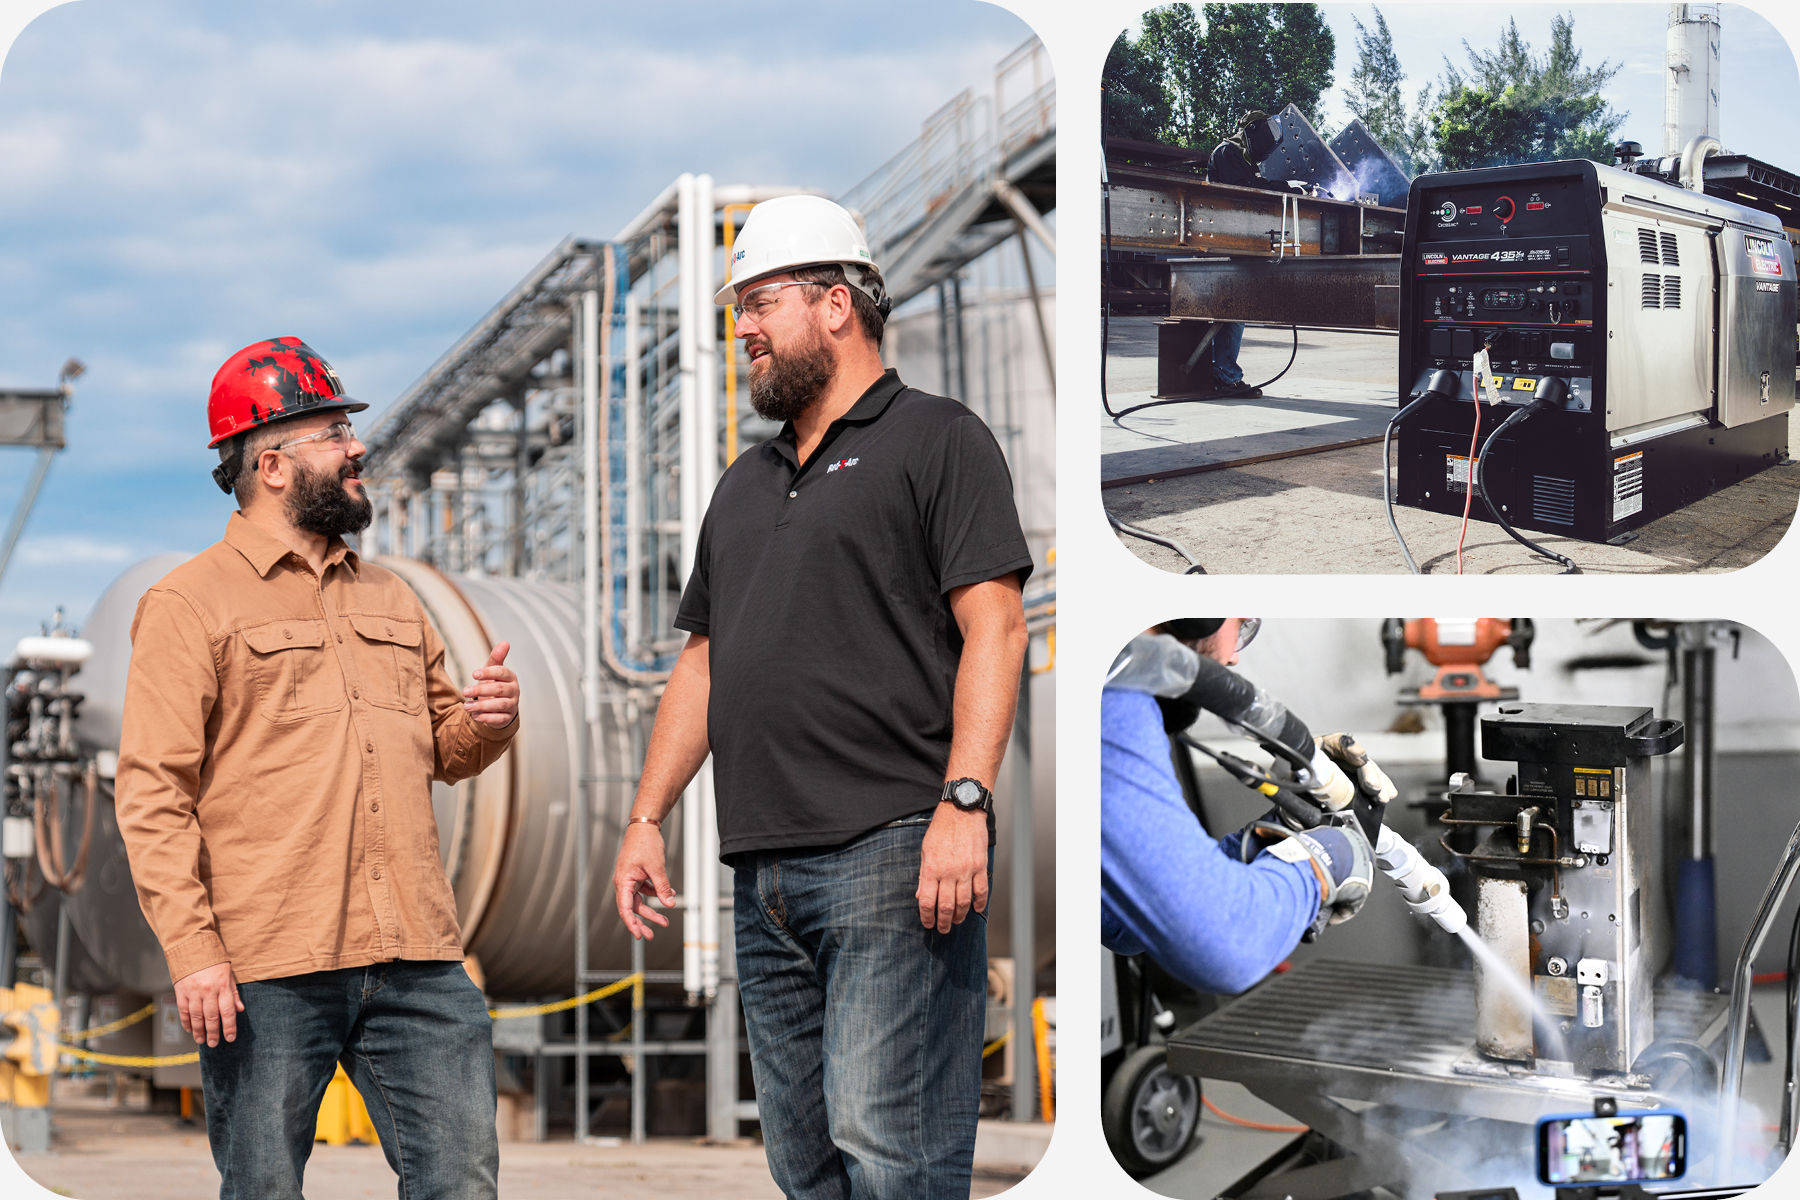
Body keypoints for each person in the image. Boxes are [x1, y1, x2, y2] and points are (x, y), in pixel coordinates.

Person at [611, 194, 1032, 1199]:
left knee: (893, 1154)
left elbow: (998, 628)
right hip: (762, 873)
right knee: (806, 1165)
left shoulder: (937, 440)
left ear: (836, 304)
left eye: (759, 303)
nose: (741, 330)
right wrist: (645, 817)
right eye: (739, 309)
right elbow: (704, 665)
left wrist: (963, 803)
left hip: (889, 853)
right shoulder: (745, 484)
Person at [115, 337, 521, 1200]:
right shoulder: (190, 604)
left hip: (417, 953)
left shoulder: (391, 596)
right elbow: (153, 794)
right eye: (334, 432)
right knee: (263, 1188)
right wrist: (194, 953)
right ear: (271, 464)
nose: (356, 448)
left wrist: (487, 722)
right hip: (268, 966)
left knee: (462, 1186)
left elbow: (443, 748)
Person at [1102, 619, 1392, 992]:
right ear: (1197, 614)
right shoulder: (1114, 700)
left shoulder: (1119, 686)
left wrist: (1274, 839)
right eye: (1239, 625)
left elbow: (1120, 923)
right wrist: (1321, 864)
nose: (1234, 657)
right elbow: (1229, 946)